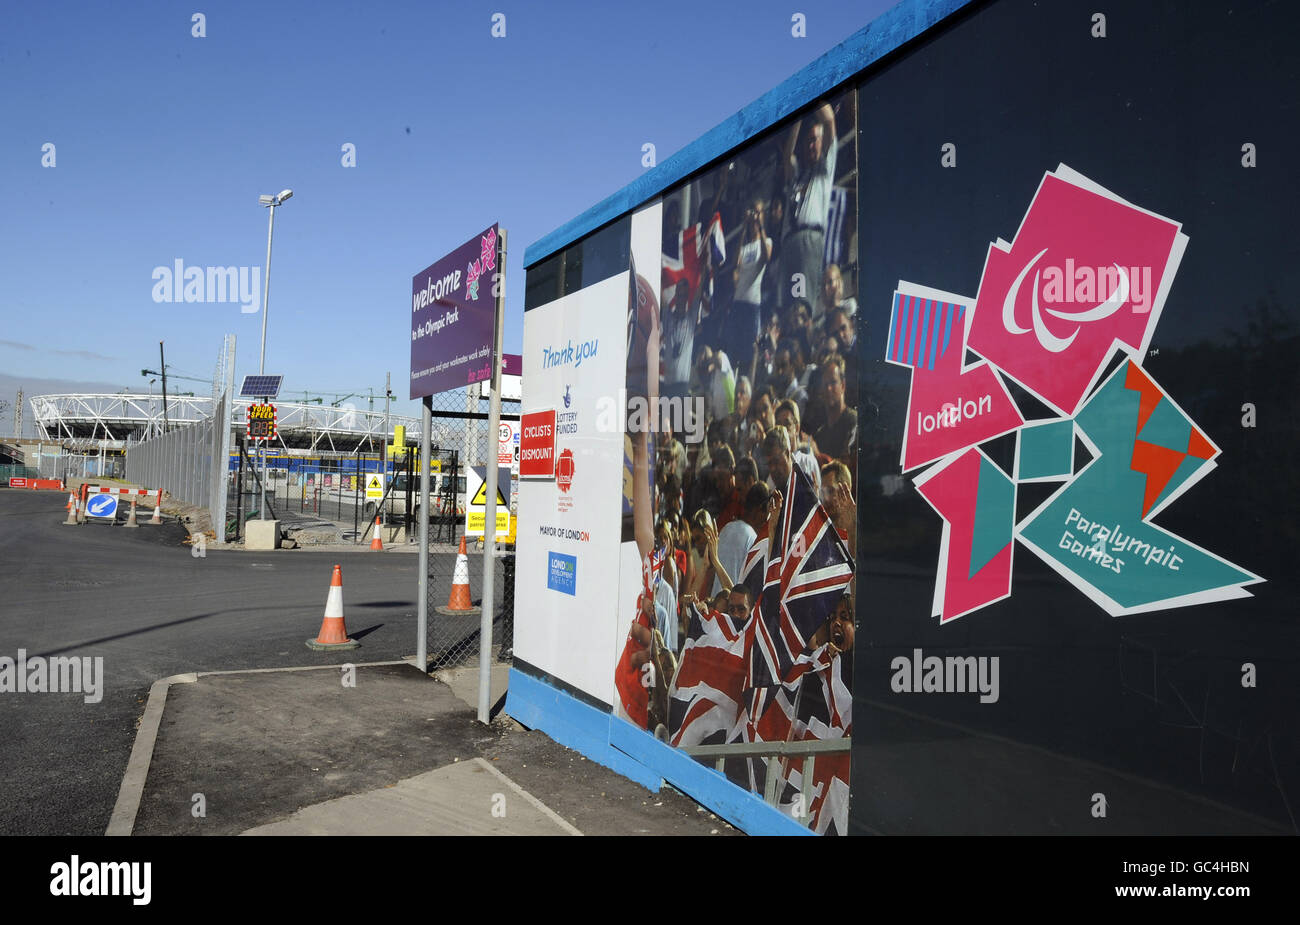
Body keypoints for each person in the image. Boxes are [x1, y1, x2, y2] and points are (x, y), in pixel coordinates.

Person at [778, 101, 837, 313]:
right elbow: (787, 157)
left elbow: (829, 120)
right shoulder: (798, 175)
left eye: (815, 140)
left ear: (823, 143)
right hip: (789, 244)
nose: (811, 145)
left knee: (802, 306)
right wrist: (798, 119)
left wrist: (811, 95)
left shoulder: (825, 167)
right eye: (808, 141)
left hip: (808, 242)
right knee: (787, 308)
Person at [729, 197, 772, 381]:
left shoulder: (767, 241)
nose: (754, 216)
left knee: (750, 354)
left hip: (753, 306)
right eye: (752, 212)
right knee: (733, 352)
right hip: (738, 304)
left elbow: (766, 257)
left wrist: (760, 225)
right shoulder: (746, 247)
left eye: (758, 212)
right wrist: (745, 227)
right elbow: (734, 263)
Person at [812, 355, 856, 463]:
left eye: (833, 382)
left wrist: (818, 456)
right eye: (825, 384)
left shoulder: (854, 423)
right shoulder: (820, 434)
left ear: (843, 385)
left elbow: (847, 470)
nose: (828, 388)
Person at [763, 423, 820, 496]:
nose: (773, 468)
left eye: (776, 461)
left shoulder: (806, 478)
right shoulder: (770, 487)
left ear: (787, 453)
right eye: (769, 464)